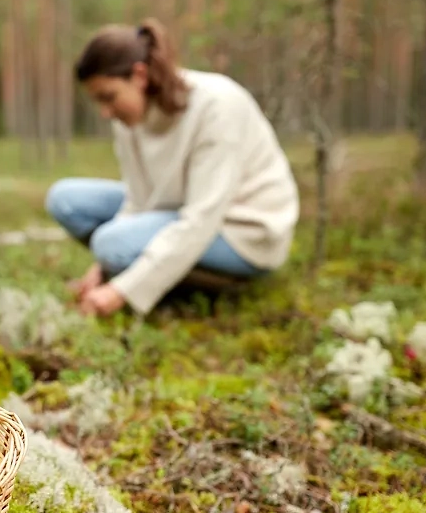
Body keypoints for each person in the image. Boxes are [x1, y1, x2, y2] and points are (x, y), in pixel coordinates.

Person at [45, 18, 300, 318]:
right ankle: (153, 273)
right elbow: (137, 201)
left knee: (110, 242)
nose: (105, 112)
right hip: (176, 212)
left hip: (243, 233)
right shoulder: (129, 118)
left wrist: (121, 290)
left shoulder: (216, 106)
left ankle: (189, 286)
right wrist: (103, 269)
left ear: (139, 75)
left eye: (109, 97)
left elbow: (202, 218)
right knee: (65, 199)